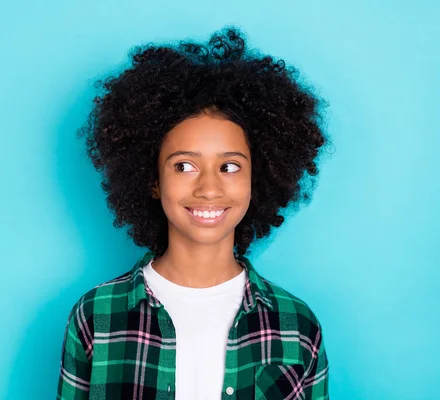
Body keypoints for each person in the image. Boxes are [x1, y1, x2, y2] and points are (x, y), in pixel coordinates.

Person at [57, 26, 331, 399]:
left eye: (230, 166)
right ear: (152, 180)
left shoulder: (297, 325)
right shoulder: (95, 316)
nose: (208, 189)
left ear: (258, 178)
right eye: (184, 166)